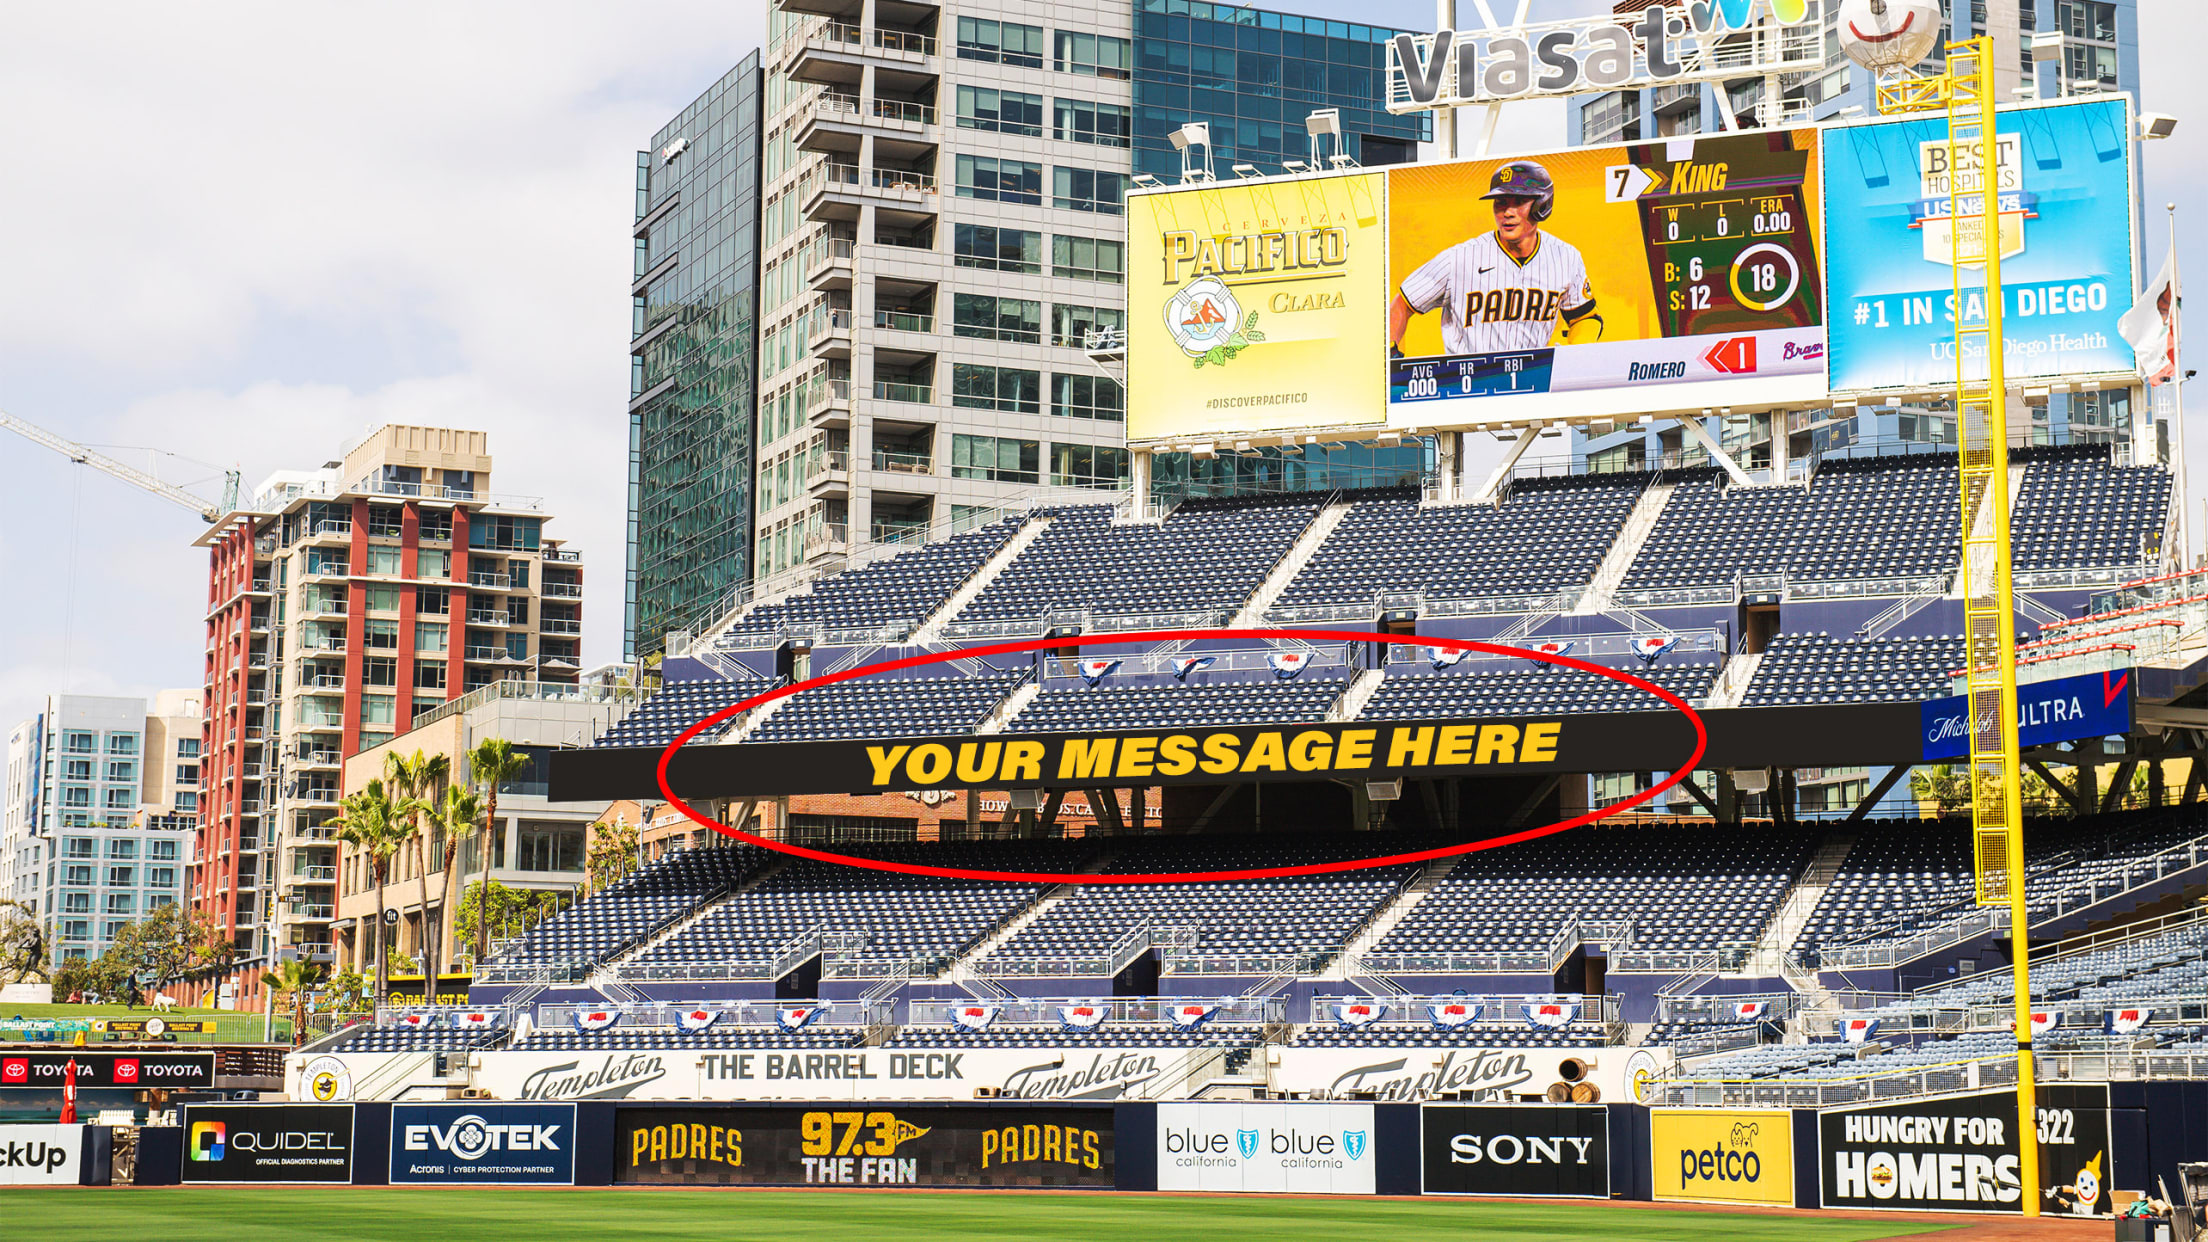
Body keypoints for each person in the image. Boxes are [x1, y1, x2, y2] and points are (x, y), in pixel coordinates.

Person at [1390, 160, 1603, 358]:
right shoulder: (1460, 259)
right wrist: (1390, 352)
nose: (1507, 212)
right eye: (1500, 203)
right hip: (1468, 384)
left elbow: (1584, 317)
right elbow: (1403, 303)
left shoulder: (1565, 257)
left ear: (1542, 206)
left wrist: (1577, 354)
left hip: (1533, 382)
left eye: (1519, 202)